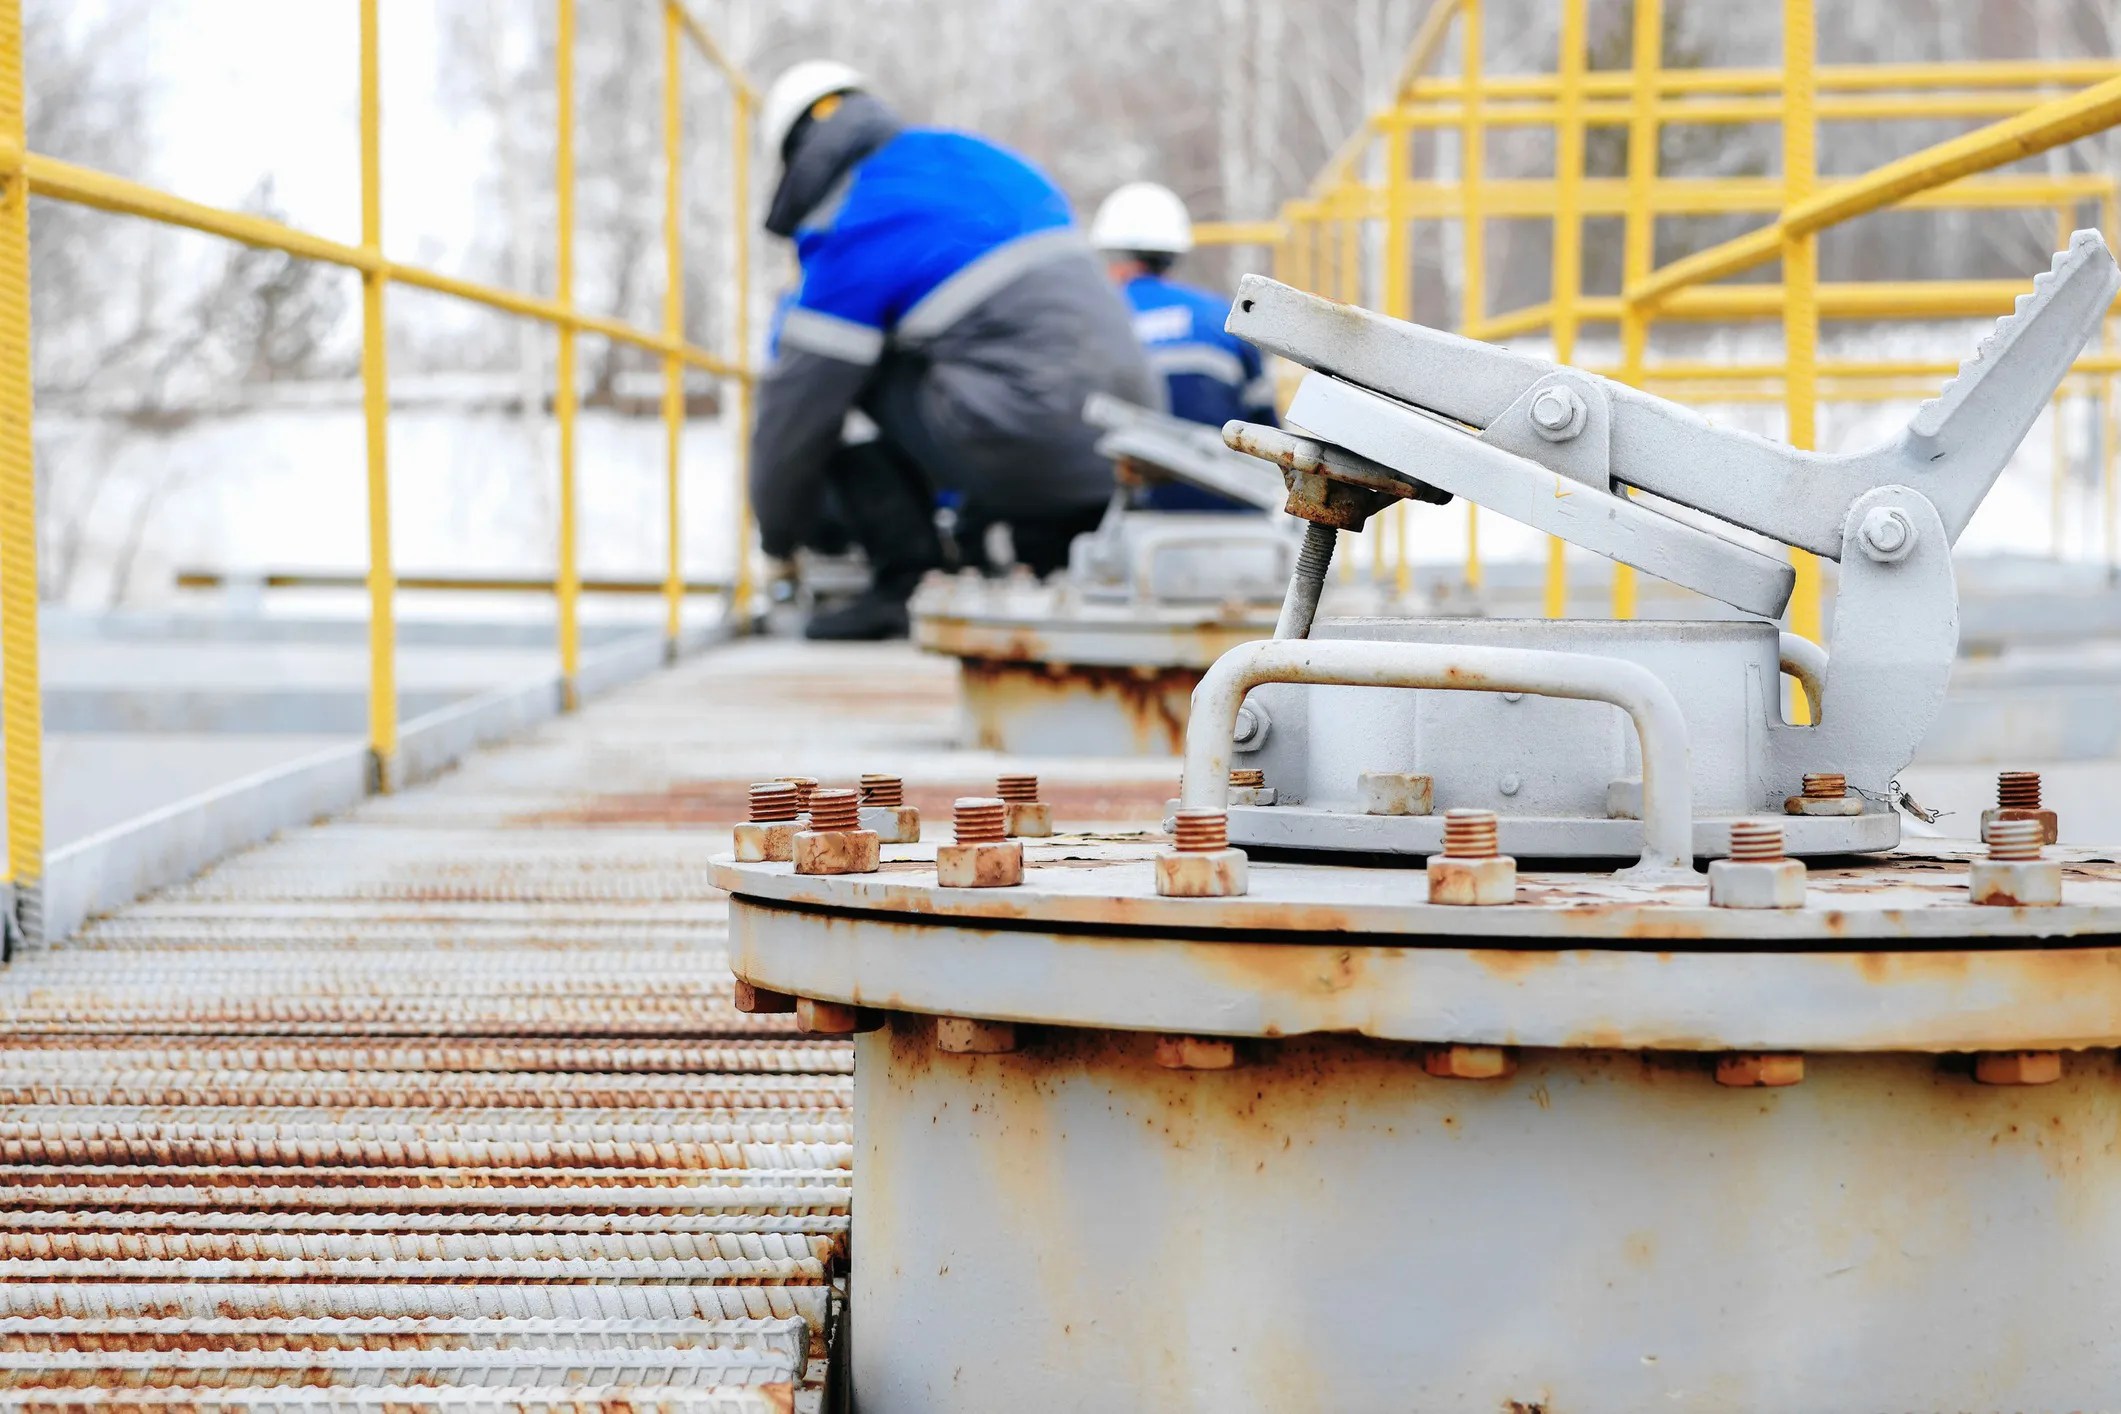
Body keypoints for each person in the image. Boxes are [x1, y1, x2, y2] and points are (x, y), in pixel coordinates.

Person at [750, 61, 1157, 640]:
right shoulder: (978, 157)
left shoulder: (857, 213)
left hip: (1033, 437)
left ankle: (904, 580)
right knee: (970, 349)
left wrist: (780, 535)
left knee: (830, 374)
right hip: (1126, 444)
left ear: (795, 154)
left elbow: (793, 411)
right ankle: (1033, 544)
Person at [1090, 181, 1278, 511]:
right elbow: (1267, 430)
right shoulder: (1223, 316)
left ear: (1113, 256)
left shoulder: (1098, 317)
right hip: (1232, 512)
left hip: (1124, 513)